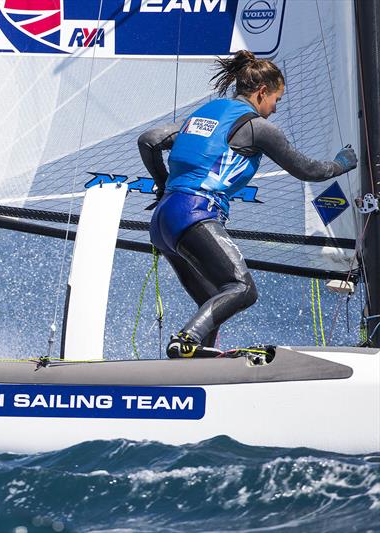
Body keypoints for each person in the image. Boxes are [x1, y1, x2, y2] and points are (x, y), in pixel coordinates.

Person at [138, 50, 357, 358]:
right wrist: (340, 164)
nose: (275, 109)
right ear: (262, 92)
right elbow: (307, 170)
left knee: (214, 301)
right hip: (194, 215)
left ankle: (196, 356)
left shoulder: (205, 115)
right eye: (276, 100)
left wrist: (163, 185)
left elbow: (149, 139)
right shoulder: (257, 127)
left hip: (164, 221)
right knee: (242, 289)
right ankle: (186, 341)